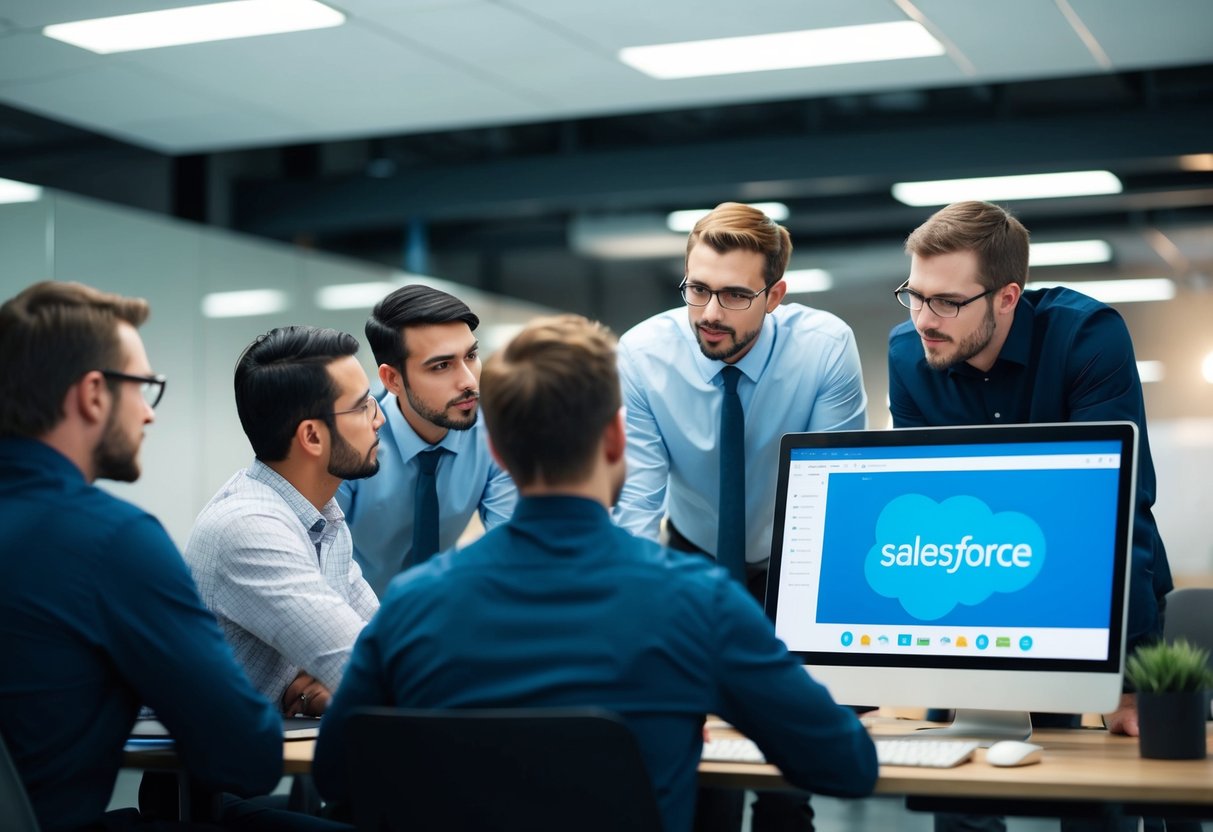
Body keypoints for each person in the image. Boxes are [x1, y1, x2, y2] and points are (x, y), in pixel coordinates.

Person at [312, 315, 878, 832]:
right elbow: (845, 766)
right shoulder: (697, 602)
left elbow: (335, 775)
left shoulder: (412, 606)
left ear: (501, 456)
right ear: (615, 437)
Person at [887, 200, 1174, 832]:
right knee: (959, 796)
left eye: (946, 302)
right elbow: (928, 520)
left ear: (1008, 296)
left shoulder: (1085, 337)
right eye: (914, 294)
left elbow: (1119, 516)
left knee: (1102, 796)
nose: (923, 319)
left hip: (1090, 596)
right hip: (979, 595)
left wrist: (1126, 675)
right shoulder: (911, 354)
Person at [614, 202, 867, 831]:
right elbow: (638, 505)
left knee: (786, 779)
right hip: (692, 554)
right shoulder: (643, 354)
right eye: (697, 289)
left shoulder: (824, 347)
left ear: (774, 294)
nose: (708, 313)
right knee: (699, 764)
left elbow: (839, 502)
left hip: (793, 560)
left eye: (733, 295)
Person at [0, 281, 282, 831]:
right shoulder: (111, 541)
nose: (149, 416)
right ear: (93, 394)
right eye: (144, 388)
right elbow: (246, 757)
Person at [185, 326, 383, 717]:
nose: (379, 420)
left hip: (267, 760)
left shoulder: (321, 519)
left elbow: (381, 644)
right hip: (206, 774)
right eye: (363, 407)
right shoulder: (248, 528)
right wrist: (347, 683)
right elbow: (374, 672)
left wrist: (333, 686)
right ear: (311, 436)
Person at [337, 284, 517, 597]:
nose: (469, 381)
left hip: (445, 615)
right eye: (441, 365)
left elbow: (511, 550)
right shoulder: (349, 442)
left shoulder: (495, 432)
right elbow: (319, 567)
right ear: (393, 379)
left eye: (471, 356)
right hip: (355, 619)